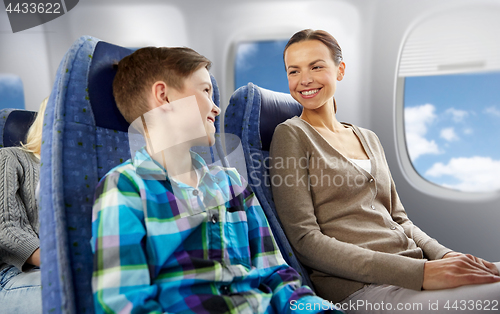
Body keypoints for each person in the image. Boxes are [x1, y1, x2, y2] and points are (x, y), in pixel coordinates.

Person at [91, 47, 341, 313]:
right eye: (205, 91)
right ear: (164, 96)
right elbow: (124, 304)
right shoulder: (126, 188)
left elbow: (277, 275)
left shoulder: (232, 184)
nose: (216, 107)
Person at [269, 29, 500, 313]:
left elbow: (400, 220)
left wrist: (447, 256)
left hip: (415, 268)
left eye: (316, 66)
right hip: (362, 289)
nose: (304, 80)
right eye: (294, 71)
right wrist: (422, 273)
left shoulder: (369, 138)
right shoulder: (291, 134)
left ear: (340, 70)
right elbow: (306, 241)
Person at [0, 97, 48, 314]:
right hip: (13, 274)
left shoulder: (88, 174)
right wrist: (60, 261)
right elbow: (6, 229)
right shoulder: (10, 158)